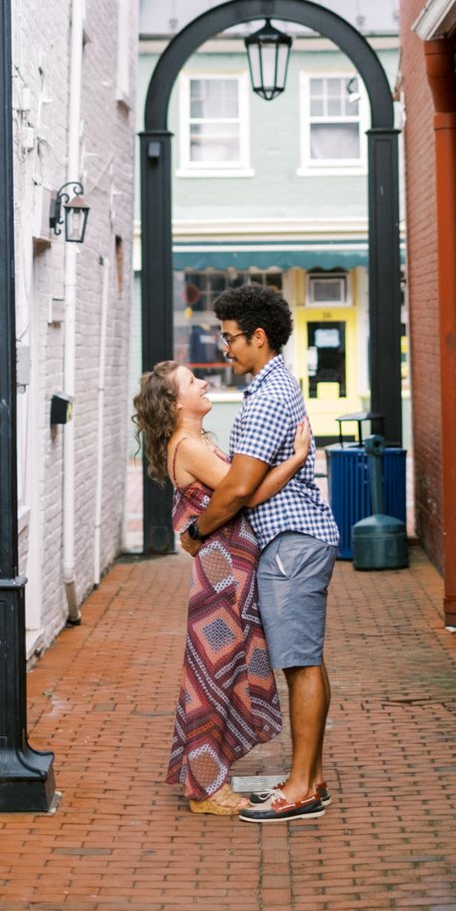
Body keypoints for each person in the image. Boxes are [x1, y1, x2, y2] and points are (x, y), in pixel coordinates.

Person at [179, 284, 339, 824]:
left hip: (292, 544)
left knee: (299, 660)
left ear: (259, 337)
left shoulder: (270, 395)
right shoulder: (268, 389)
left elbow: (241, 486)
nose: (224, 349)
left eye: (230, 339)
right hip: (289, 544)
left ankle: (301, 790)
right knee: (302, 659)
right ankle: (309, 777)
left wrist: (198, 530)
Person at [134, 360, 311, 816]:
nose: (205, 382)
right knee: (215, 675)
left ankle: (210, 776)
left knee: (223, 673)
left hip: (227, 570)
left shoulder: (196, 441)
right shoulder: (189, 445)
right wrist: (295, 459)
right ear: (176, 403)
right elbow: (243, 493)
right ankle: (207, 789)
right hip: (222, 578)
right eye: (194, 382)